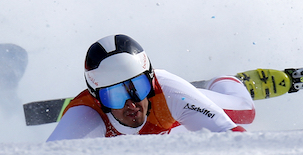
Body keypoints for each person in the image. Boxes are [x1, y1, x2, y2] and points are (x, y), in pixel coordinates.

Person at [46, 34, 256, 141]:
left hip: (175, 113)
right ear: (98, 100)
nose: (132, 104)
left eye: (137, 88)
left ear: (152, 81)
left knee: (246, 111)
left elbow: (235, 138)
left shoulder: (168, 92)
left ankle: (223, 82)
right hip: (168, 124)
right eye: (115, 95)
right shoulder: (86, 116)